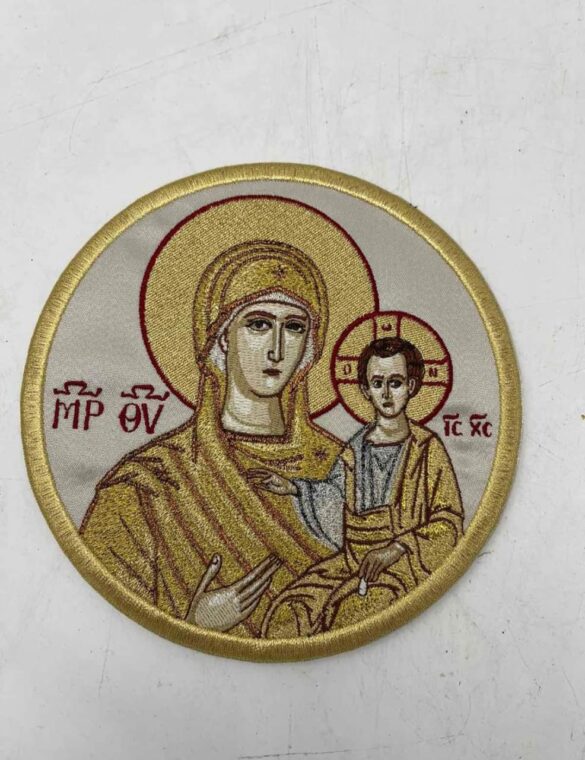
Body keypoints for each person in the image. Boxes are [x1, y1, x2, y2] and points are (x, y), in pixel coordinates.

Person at [80, 240, 343, 637]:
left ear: (309, 346)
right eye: (258, 324)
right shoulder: (147, 485)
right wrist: (193, 624)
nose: (276, 349)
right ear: (221, 337)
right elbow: (99, 629)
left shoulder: (344, 466)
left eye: (294, 328)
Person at [249, 337, 464, 637]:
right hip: (351, 562)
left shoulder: (426, 449)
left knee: (352, 612)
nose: (386, 394)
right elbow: (335, 499)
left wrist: (396, 549)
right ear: (365, 390)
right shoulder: (356, 449)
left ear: (411, 386)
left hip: (403, 566)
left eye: (395, 383)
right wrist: (293, 488)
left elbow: (449, 521)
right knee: (290, 611)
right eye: (377, 383)